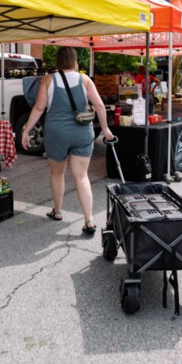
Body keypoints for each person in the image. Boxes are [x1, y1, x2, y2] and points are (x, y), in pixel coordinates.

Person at [22, 47, 114, 234]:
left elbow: (39, 108)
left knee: (57, 174)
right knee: (82, 176)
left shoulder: (48, 80)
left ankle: (57, 211)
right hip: (81, 133)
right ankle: (89, 220)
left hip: (57, 134)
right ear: (74, 60)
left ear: (57, 61)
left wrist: (26, 130)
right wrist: (105, 129)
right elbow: (99, 105)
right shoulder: (84, 79)